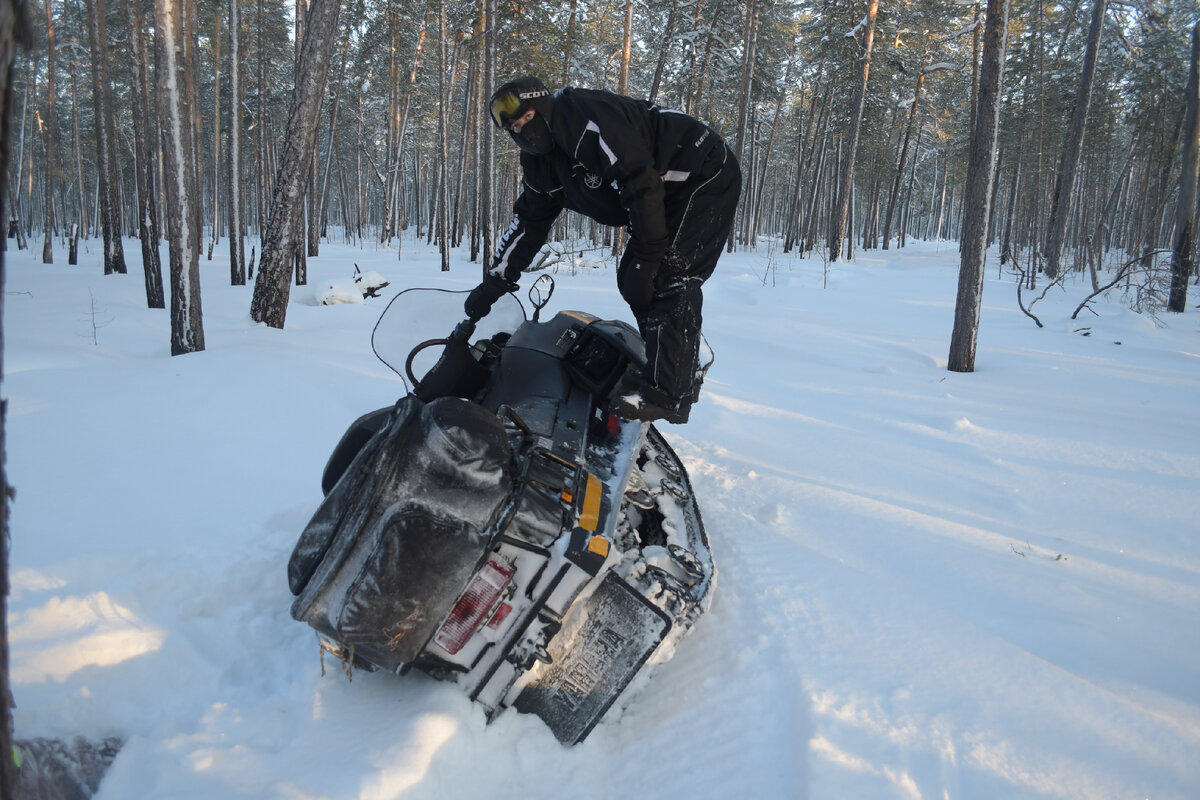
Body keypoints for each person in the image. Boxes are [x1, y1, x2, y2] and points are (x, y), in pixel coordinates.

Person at [464, 76, 741, 424]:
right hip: (664, 190)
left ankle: (671, 393)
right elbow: (529, 220)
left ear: (544, 107)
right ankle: (675, 363)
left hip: (703, 171)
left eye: (528, 119)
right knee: (634, 280)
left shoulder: (583, 120)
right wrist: (496, 280)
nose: (524, 132)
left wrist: (647, 257)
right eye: (515, 128)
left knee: (667, 275)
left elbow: (638, 183)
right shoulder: (540, 163)